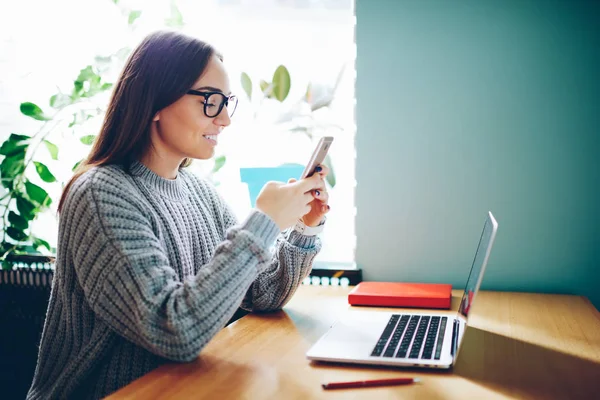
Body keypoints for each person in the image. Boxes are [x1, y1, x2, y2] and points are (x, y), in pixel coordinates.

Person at [27, 30, 330, 400]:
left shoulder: (198, 191)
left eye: (226, 102)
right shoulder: (100, 193)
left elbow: (262, 293)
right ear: (155, 100)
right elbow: (173, 330)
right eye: (210, 101)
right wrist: (263, 222)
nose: (224, 120)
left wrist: (303, 227)